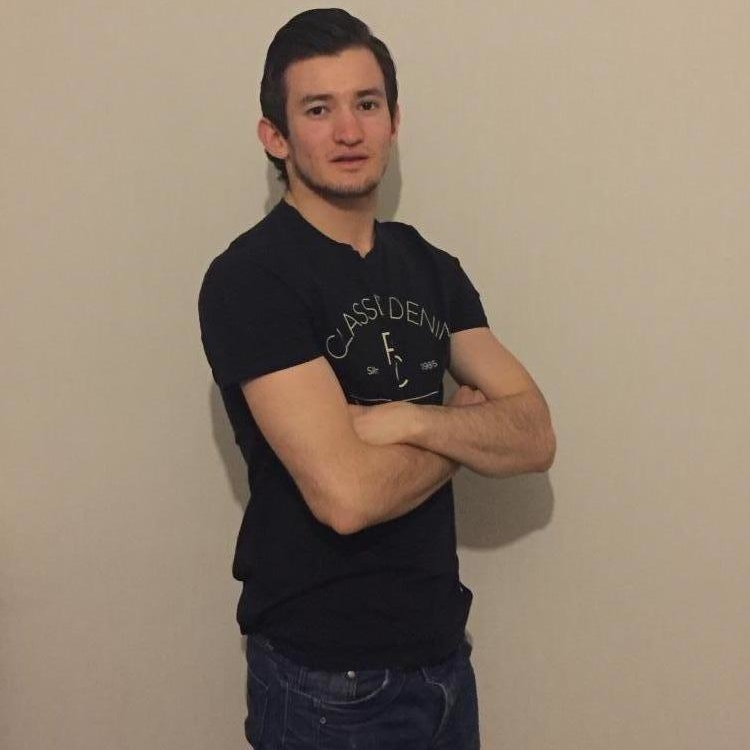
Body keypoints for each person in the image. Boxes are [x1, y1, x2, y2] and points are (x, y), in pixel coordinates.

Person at [198, 8, 555, 749]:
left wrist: (410, 420)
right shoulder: (252, 279)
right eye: (317, 109)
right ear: (275, 136)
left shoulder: (429, 266)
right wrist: (463, 431)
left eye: (367, 103)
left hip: (444, 661)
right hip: (325, 684)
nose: (348, 130)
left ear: (394, 120)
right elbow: (348, 499)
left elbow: (534, 435)